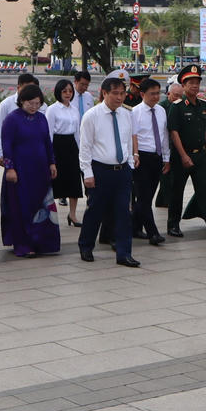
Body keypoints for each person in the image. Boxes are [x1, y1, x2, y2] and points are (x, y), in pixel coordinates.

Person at [77, 75, 137, 267]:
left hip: (121, 171)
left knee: (124, 213)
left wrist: (129, 165)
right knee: (95, 210)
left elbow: (127, 141)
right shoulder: (92, 116)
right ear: (104, 93)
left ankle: (123, 253)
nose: (120, 98)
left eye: (122, 93)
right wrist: (87, 172)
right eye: (115, 94)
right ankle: (86, 246)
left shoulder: (126, 114)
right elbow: (85, 147)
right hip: (100, 170)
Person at [166, 65, 206, 240]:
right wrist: (184, 155)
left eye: (197, 82)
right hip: (182, 156)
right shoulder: (177, 107)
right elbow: (174, 132)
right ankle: (173, 225)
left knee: (204, 190)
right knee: (177, 191)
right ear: (183, 86)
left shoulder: (202, 105)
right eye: (190, 83)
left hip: (200, 155)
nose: (194, 86)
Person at [0, 84, 59, 257]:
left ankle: (43, 242)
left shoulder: (41, 118)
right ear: (21, 101)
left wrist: (52, 163)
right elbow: (7, 145)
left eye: (37, 103)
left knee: (42, 206)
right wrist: (9, 168)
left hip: (40, 170)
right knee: (21, 207)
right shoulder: (12, 119)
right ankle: (23, 244)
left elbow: (47, 142)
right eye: (30, 103)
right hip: (20, 171)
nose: (34, 107)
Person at [129, 77, 167, 246]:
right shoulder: (135, 112)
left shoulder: (161, 111)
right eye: (152, 94)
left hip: (156, 157)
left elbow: (164, 136)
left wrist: (166, 157)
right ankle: (153, 233)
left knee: (147, 197)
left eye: (158, 93)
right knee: (143, 197)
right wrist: (134, 155)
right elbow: (132, 137)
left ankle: (134, 226)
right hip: (141, 158)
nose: (156, 97)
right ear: (143, 94)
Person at [45, 79, 83, 227]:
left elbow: (77, 132)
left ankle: (72, 215)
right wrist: (50, 156)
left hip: (72, 147)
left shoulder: (74, 109)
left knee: (74, 181)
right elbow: (49, 134)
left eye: (70, 91)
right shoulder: (52, 109)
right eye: (64, 91)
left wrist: (80, 151)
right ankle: (50, 216)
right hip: (57, 146)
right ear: (58, 92)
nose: (68, 94)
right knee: (55, 182)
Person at [154, 81, 183, 210]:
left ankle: (163, 199)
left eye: (180, 95)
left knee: (172, 174)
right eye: (175, 95)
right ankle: (165, 199)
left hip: (176, 144)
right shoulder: (161, 107)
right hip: (164, 144)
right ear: (168, 94)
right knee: (165, 175)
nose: (178, 98)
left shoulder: (181, 105)